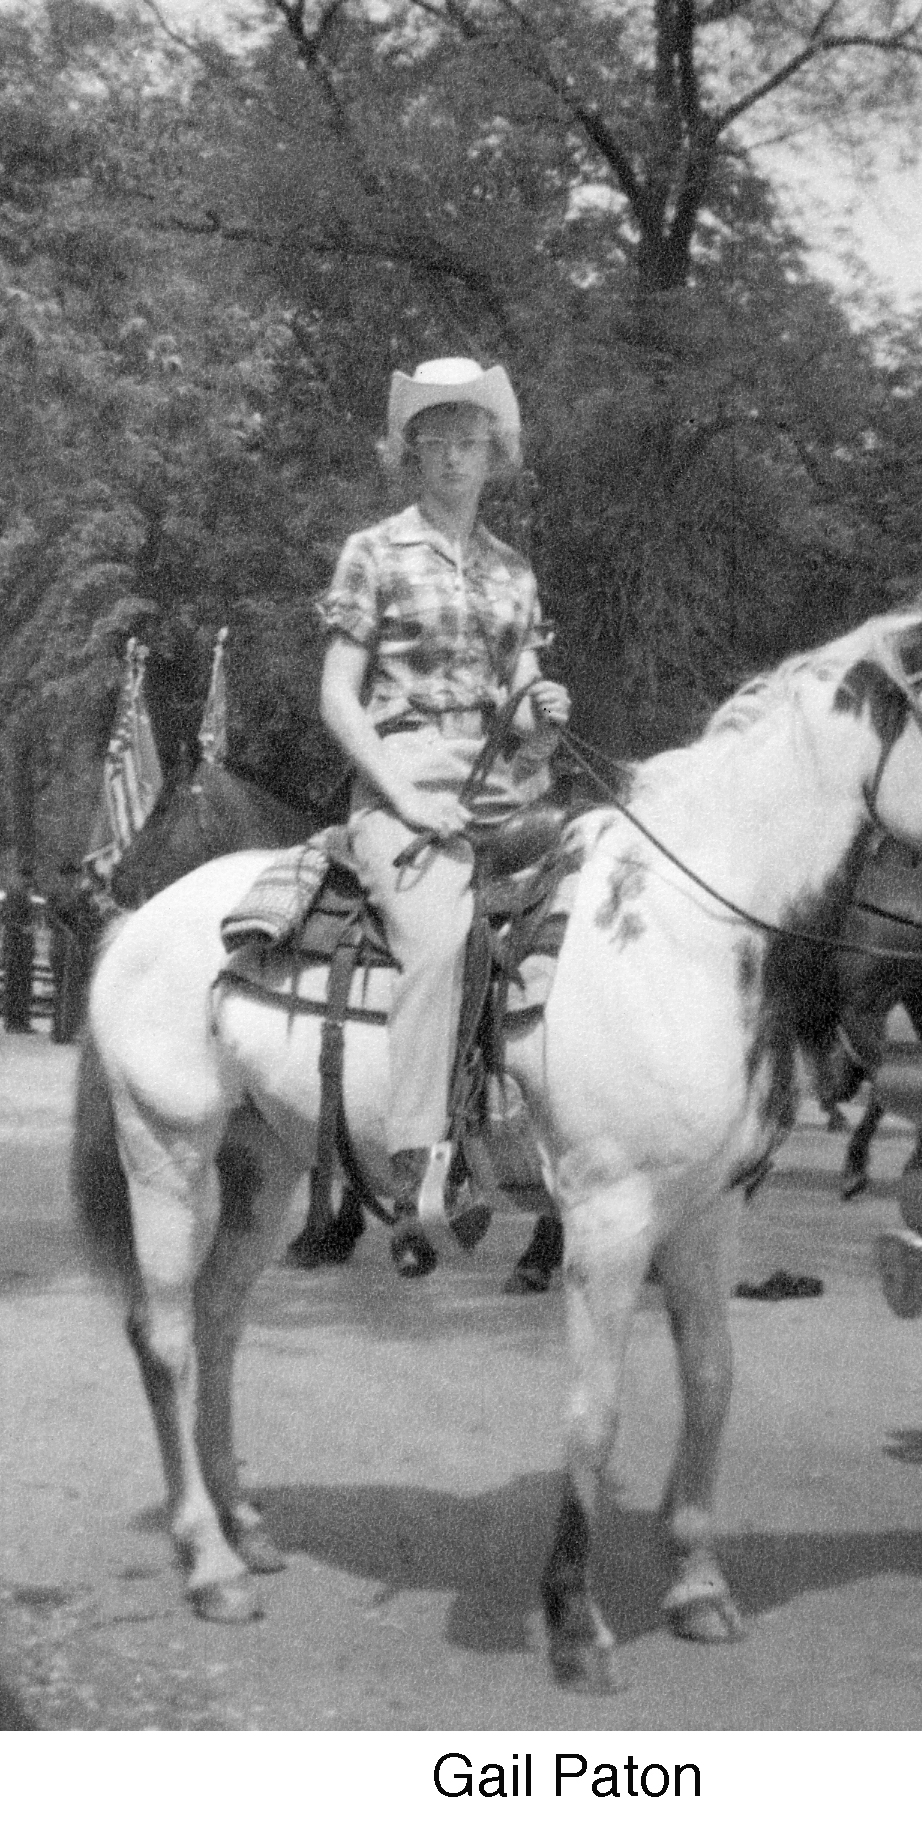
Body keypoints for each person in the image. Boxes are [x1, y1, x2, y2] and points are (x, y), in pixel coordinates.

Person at [317, 357, 570, 1274]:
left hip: (502, 779)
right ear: (410, 452)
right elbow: (338, 697)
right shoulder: (373, 550)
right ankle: (415, 1160)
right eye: (435, 442)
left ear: (493, 452)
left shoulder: (512, 571)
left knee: (593, 902)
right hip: (405, 770)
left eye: (470, 442)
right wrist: (400, 790)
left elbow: (520, 681)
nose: (454, 458)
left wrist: (543, 706)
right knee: (434, 932)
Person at [47, 861, 102, 1044]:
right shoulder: (56, 893)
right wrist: (67, 931)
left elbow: (88, 915)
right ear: (63, 876)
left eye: (74, 875)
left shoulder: (79, 894)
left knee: (71, 989)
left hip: (75, 946)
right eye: (69, 875)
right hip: (61, 944)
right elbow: (51, 918)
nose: (72, 878)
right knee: (61, 988)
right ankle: (60, 1032)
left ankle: (68, 1031)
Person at [2, 867, 37, 1034]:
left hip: (24, 946)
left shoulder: (24, 894)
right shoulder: (15, 894)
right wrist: (23, 928)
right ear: (20, 877)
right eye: (25, 877)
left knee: (23, 984)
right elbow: (8, 919)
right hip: (15, 945)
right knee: (15, 983)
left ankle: (21, 1021)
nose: (28, 881)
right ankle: (13, 1022)